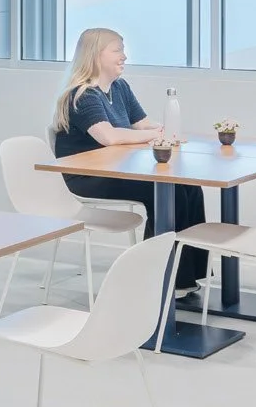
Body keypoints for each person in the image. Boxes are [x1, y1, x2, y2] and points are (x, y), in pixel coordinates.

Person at [50, 26, 210, 291]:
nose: (124, 56)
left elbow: (142, 123)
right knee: (166, 193)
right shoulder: (81, 96)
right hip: (89, 177)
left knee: (189, 188)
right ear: (95, 55)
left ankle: (186, 276)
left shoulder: (119, 87)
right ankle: (156, 279)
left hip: (116, 170)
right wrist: (155, 135)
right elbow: (109, 137)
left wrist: (167, 131)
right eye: (117, 50)